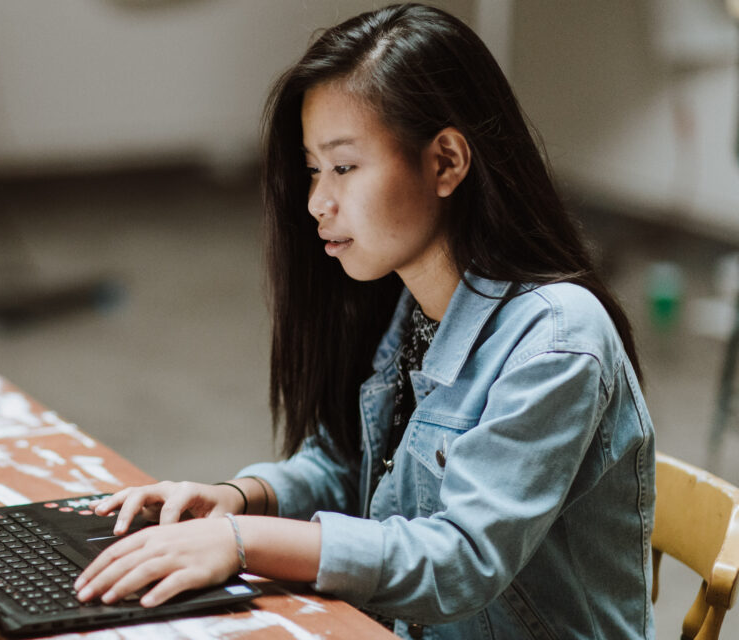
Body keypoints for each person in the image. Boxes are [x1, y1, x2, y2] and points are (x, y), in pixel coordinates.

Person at [73, 3, 656, 638]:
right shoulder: (411, 302)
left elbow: (459, 561)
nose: (318, 202)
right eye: (314, 169)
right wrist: (240, 498)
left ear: (445, 162)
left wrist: (244, 541)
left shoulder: (556, 340)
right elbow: (354, 466)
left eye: (345, 167)